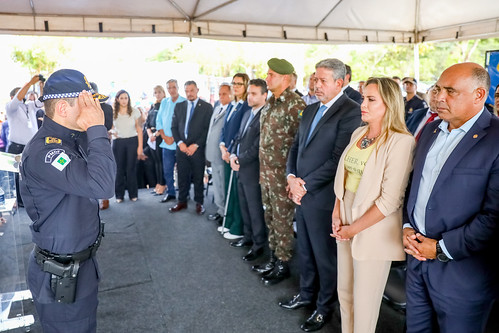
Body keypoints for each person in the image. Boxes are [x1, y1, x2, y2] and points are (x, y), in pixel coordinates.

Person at [403, 63, 499, 333]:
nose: (439, 97)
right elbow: (414, 188)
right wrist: (407, 226)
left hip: (463, 275)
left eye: (450, 91)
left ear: (479, 95)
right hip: (417, 261)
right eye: (437, 89)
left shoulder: (495, 138)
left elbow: (494, 217)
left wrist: (441, 248)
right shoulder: (431, 132)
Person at [19, 69, 116, 332]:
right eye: (87, 102)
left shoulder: (71, 138)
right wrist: (96, 127)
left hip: (78, 266)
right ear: (63, 107)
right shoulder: (46, 151)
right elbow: (103, 185)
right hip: (60, 274)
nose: (95, 108)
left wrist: (93, 128)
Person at [282, 58, 361, 332]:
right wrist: (291, 178)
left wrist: (305, 184)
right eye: (315, 79)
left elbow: (339, 158)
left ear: (340, 82)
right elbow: (296, 146)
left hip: (324, 197)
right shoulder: (310, 108)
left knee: (324, 257)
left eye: (323, 80)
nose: (316, 84)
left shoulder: (351, 111)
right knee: (305, 251)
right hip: (301, 194)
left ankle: (324, 308)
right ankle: (306, 296)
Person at [331, 77, 415, 333]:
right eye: (363, 97)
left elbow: (390, 200)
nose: (362, 104)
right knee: (344, 292)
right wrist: (337, 211)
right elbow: (344, 178)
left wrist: (353, 228)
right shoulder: (359, 132)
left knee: (365, 303)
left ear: (389, 104)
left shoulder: (401, 141)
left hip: (373, 226)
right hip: (346, 215)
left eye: (370, 99)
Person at [253, 58, 306, 285]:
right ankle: (274, 257)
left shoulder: (296, 105)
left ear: (285, 78)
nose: (267, 78)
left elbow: (300, 145)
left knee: (283, 220)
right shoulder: (270, 103)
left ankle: (283, 262)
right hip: (266, 173)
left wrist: (291, 175)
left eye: (271, 75)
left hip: (283, 176)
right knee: (271, 217)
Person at [229, 79, 268, 261]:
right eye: (249, 93)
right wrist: (231, 154)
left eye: (254, 94)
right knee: (244, 205)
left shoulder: (265, 116)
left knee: (254, 209)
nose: (249, 96)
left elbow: (257, 146)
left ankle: (259, 244)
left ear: (264, 95)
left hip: (253, 169)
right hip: (240, 167)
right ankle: (248, 237)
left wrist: (240, 159)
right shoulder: (247, 113)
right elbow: (239, 137)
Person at [170, 81, 213, 215]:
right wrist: (180, 143)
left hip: (197, 149)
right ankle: (182, 201)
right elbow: (174, 127)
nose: (189, 93)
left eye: (192, 90)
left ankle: (199, 203)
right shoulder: (179, 106)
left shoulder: (206, 107)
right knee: (182, 176)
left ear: (197, 90)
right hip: (182, 148)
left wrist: (196, 145)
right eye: (187, 91)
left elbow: (207, 130)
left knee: (198, 177)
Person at [219, 73, 251, 239]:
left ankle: (238, 227)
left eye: (239, 83)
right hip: (227, 153)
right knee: (228, 189)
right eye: (234, 83)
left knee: (237, 193)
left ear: (246, 85)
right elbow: (225, 129)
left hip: (236, 155)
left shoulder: (246, 106)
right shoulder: (232, 105)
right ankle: (229, 221)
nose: (236, 86)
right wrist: (223, 147)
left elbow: (240, 133)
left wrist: (230, 151)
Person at [112, 89, 145, 202]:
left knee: (131, 169)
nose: (124, 100)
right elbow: (108, 128)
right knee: (119, 169)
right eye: (121, 98)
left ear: (129, 99)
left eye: (126, 98)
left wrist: (140, 147)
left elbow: (139, 129)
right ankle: (119, 195)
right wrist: (112, 132)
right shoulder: (112, 112)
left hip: (132, 141)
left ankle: (133, 194)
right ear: (117, 99)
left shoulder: (135, 111)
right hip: (118, 142)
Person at [156, 79, 186, 203]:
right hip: (166, 143)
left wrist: (174, 138)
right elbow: (159, 121)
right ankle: (171, 193)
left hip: (180, 143)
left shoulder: (184, 102)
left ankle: (184, 194)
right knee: (167, 170)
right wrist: (164, 137)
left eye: (174, 87)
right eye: (169, 88)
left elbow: (185, 123)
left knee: (183, 171)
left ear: (178, 88)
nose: (171, 90)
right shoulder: (164, 102)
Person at [206, 84, 232, 224]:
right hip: (212, 153)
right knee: (216, 184)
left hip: (222, 154)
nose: (221, 97)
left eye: (224, 94)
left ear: (230, 94)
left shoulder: (231, 110)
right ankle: (219, 210)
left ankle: (225, 214)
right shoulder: (217, 108)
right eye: (220, 94)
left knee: (223, 185)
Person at [89, 82, 113, 210]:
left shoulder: (107, 108)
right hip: (86, 142)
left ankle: (105, 198)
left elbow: (108, 125)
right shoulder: (82, 108)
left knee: (103, 169)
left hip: (102, 140)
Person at [145, 85, 167, 196]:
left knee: (161, 162)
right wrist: (150, 135)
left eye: (159, 92)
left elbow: (165, 122)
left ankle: (163, 183)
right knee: (156, 162)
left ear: (163, 93)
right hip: (152, 138)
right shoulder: (153, 106)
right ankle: (158, 183)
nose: (157, 94)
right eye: (155, 92)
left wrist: (155, 134)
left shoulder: (166, 105)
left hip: (160, 136)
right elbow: (147, 123)